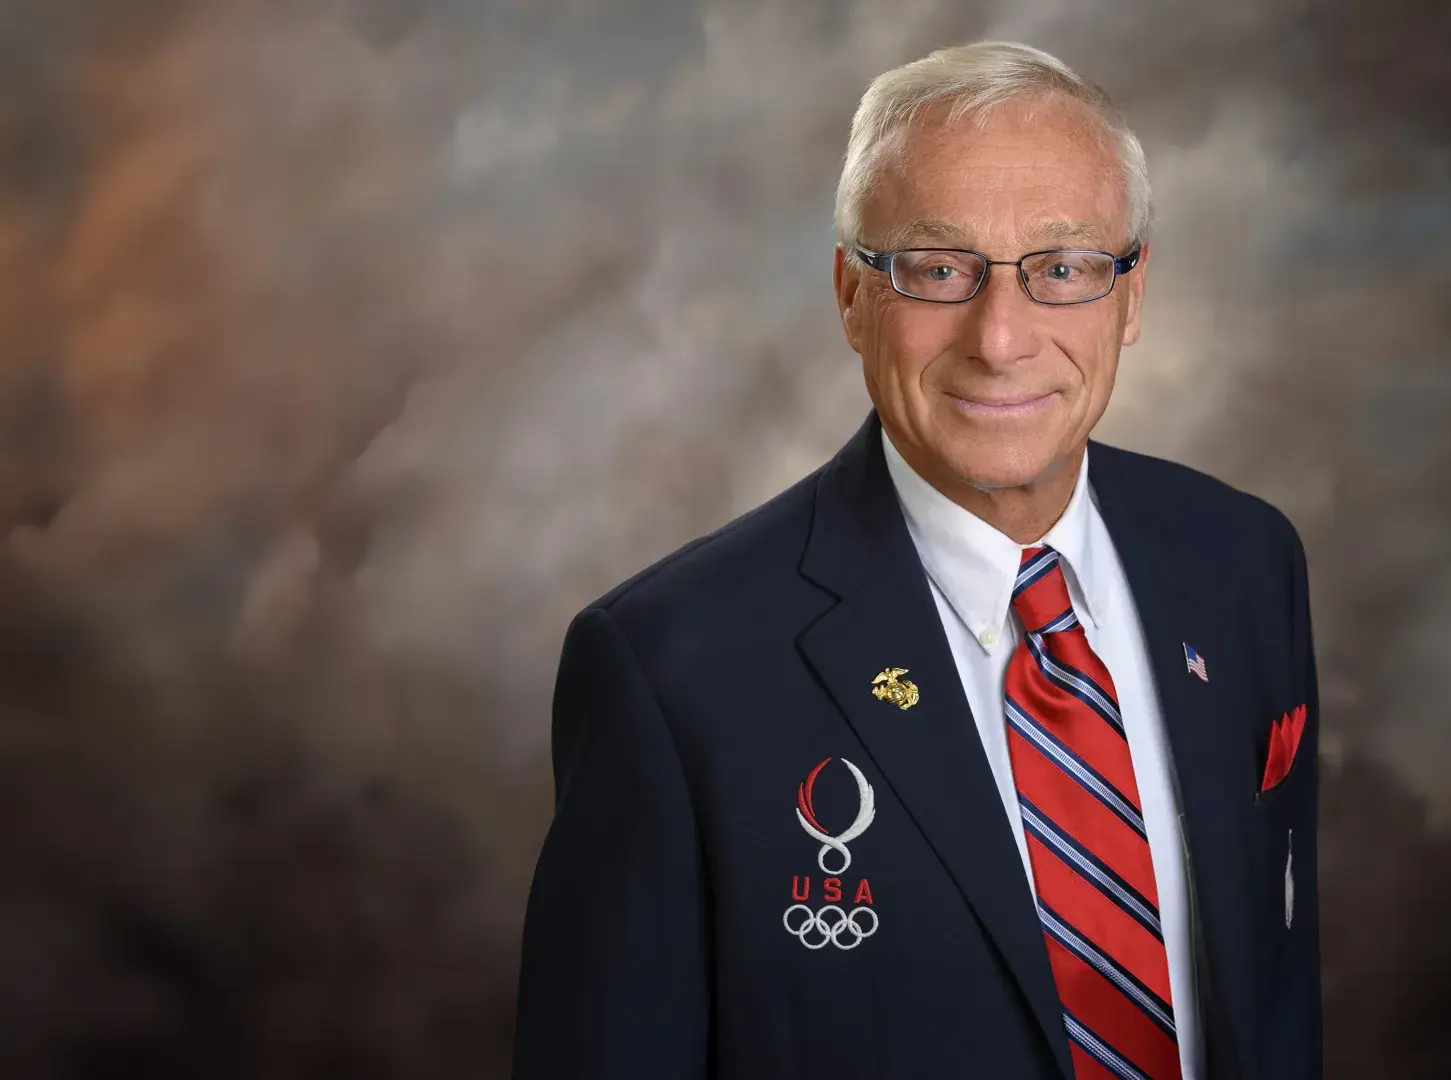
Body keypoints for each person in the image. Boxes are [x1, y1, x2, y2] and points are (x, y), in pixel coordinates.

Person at [511, 40, 1322, 1080]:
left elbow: (1278, 992)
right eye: (938, 269)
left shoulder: (1245, 565)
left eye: (1063, 269)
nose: (1000, 336)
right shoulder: (671, 676)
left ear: (1130, 294)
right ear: (852, 293)